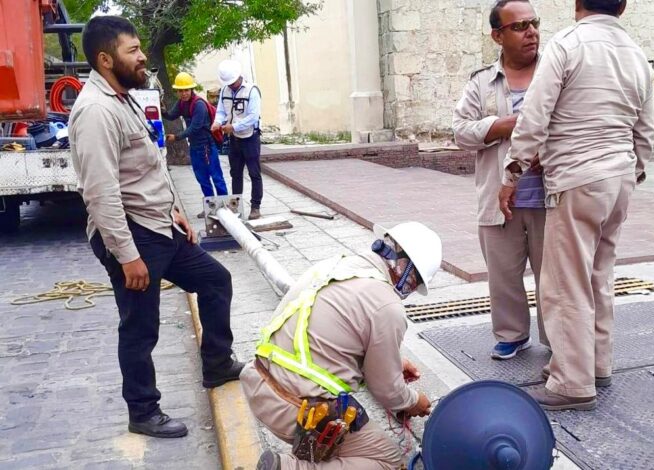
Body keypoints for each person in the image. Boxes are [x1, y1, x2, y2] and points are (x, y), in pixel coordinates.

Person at [69, 15, 245, 438]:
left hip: (159, 224)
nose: (143, 55)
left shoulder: (123, 96)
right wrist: (127, 256)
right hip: (132, 234)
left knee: (216, 280)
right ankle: (143, 412)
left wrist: (176, 211)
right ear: (105, 59)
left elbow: (148, 165)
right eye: (133, 50)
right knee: (140, 325)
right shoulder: (95, 111)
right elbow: (101, 193)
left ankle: (217, 365)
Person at [499, 0, 654, 410]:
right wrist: (633, 171)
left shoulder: (567, 44)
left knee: (565, 284)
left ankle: (571, 382)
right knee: (599, 275)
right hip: (618, 178)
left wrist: (511, 176)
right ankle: (597, 365)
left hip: (577, 177)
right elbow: (646, 127)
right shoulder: (636, 54)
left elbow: (534, 118)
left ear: (576, 4)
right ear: (621, 6)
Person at [241, 222, 442, 470]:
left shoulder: (338, 264)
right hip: (291, 406)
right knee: (388, 461)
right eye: (415, 284)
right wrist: (414, 401)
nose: (410, 291)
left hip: (258, 378)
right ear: (408, 271)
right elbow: (387, 391)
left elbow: (338, 334)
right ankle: (288, 467)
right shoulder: (388, 306)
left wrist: (394, 362)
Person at [453, 0, 549, 360]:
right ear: (498, 35)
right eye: (520, 26)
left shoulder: (555, 73)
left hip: (550, 197)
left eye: (534, 23)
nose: (531, 32)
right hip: (499, 198)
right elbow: (460, 131)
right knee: (503, 276)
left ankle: (557, 340)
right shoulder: (482, 82)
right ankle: (512, 334)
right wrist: (504, 124)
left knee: (553, 278)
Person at [163, 71, 228, 217]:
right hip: (195, 146)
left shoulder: (199, 105)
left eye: (186, 90)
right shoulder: (181, 103)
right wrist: (161, 109)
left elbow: (195, 127)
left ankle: (225, 207)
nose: (184, 93)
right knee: (202, 179)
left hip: (206, 146)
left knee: (216, 177)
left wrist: (177, 137)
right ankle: (211, 208)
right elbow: (171, 115)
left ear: (191, 89)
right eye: (181, 90)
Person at [211, 60, 263, 220]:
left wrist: (234, 126)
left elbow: (253, 117)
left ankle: (255, 207)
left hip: (250, 137)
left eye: (233, 82)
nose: (231, 85)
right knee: (235, 173)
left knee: (254, 173)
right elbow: (221, 110)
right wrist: (217, 122)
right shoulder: (225, 90)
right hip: (234, 139)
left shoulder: (251, 91)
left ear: (239, 76)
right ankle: (236, 207)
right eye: (229, 83)